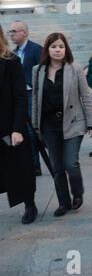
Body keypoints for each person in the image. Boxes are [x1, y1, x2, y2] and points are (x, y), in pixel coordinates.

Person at [32, 33, 92, 217]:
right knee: (57, 166)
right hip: (49, 125)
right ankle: (63, 202)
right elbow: (36, 100)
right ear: (47, 49)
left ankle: (77, 193)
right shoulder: (38, 71)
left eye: (61, 46)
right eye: (53, 46)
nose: (58, 50)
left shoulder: (75, 69)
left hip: (73, 122)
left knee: (70, 162)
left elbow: (86, 96)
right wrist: (36, 126)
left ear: (66, 48)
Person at [0, 24, 38, 225]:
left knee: (20, 169)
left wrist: (17, 128)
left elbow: (20, 96)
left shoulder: (10, 60)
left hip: (10, 125)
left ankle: (30, 205)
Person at [9, 20, 43, 176]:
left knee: (31, 131)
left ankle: (36, 164)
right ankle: (33, 164)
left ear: (24, 32)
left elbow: (43, 72)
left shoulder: (36, 49)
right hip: (18, 96)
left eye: (14, 31)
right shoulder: (13, 53)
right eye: (10, 32)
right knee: (24, 131)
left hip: (31, 95)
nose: (11, 35)